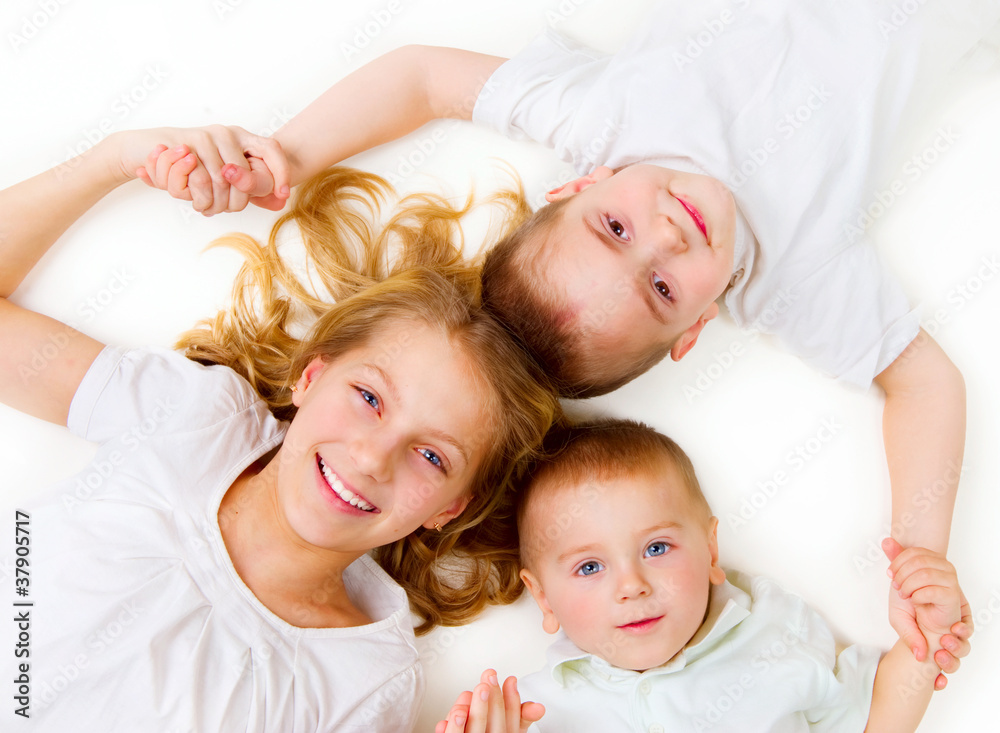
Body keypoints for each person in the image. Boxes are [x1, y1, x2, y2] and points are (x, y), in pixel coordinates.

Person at [137, 0, 995, 672]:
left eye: (613, 228)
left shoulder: (608, 120)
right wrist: (922, 552)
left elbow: (423, 75)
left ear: (581, 185)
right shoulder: (791, 279)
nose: (666, 230)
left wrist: (286, 152)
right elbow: (924, 383)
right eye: (662, 287)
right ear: (697, 327)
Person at [0, 126, 559, 730]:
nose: (373, 457)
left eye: (432, 457)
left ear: (448, 509)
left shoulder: (365, 680)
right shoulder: (194, 420)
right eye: (369, 397)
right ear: (311, 378)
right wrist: (109, 159)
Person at [434, 419, 972, 733]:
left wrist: (928, 629)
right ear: (543, 598)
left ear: (710, 549)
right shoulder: (532, 711)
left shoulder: (770, 639)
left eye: (658, 547)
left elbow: (877, 715)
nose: (632, 586)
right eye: (590, 567)